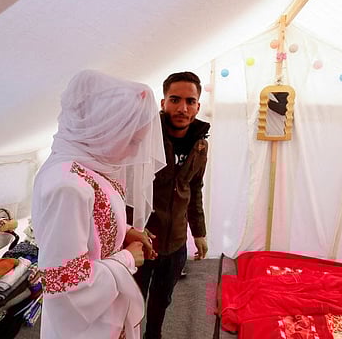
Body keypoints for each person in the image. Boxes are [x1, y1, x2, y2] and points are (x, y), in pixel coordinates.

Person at [31, 70, 166, 339]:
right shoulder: (67, 185)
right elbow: (65, 283)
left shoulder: (88, 167)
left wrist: (124, 231)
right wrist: (128, 258)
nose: (133, 152)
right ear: (104, 129)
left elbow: (91, 220)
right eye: (132, 141)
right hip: (84, 327)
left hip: (106, 312)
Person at [132, 71, 210, 339]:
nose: (183, 108)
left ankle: (153, 335)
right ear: (163, 102)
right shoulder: (144, 138)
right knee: (131, 301)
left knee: (161, 300)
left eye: (190, 101)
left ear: (198, 106)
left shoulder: (201, 144)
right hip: (141, 239)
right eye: (175, 99)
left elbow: (194, 188)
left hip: (176, 243)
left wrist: (198, 232)